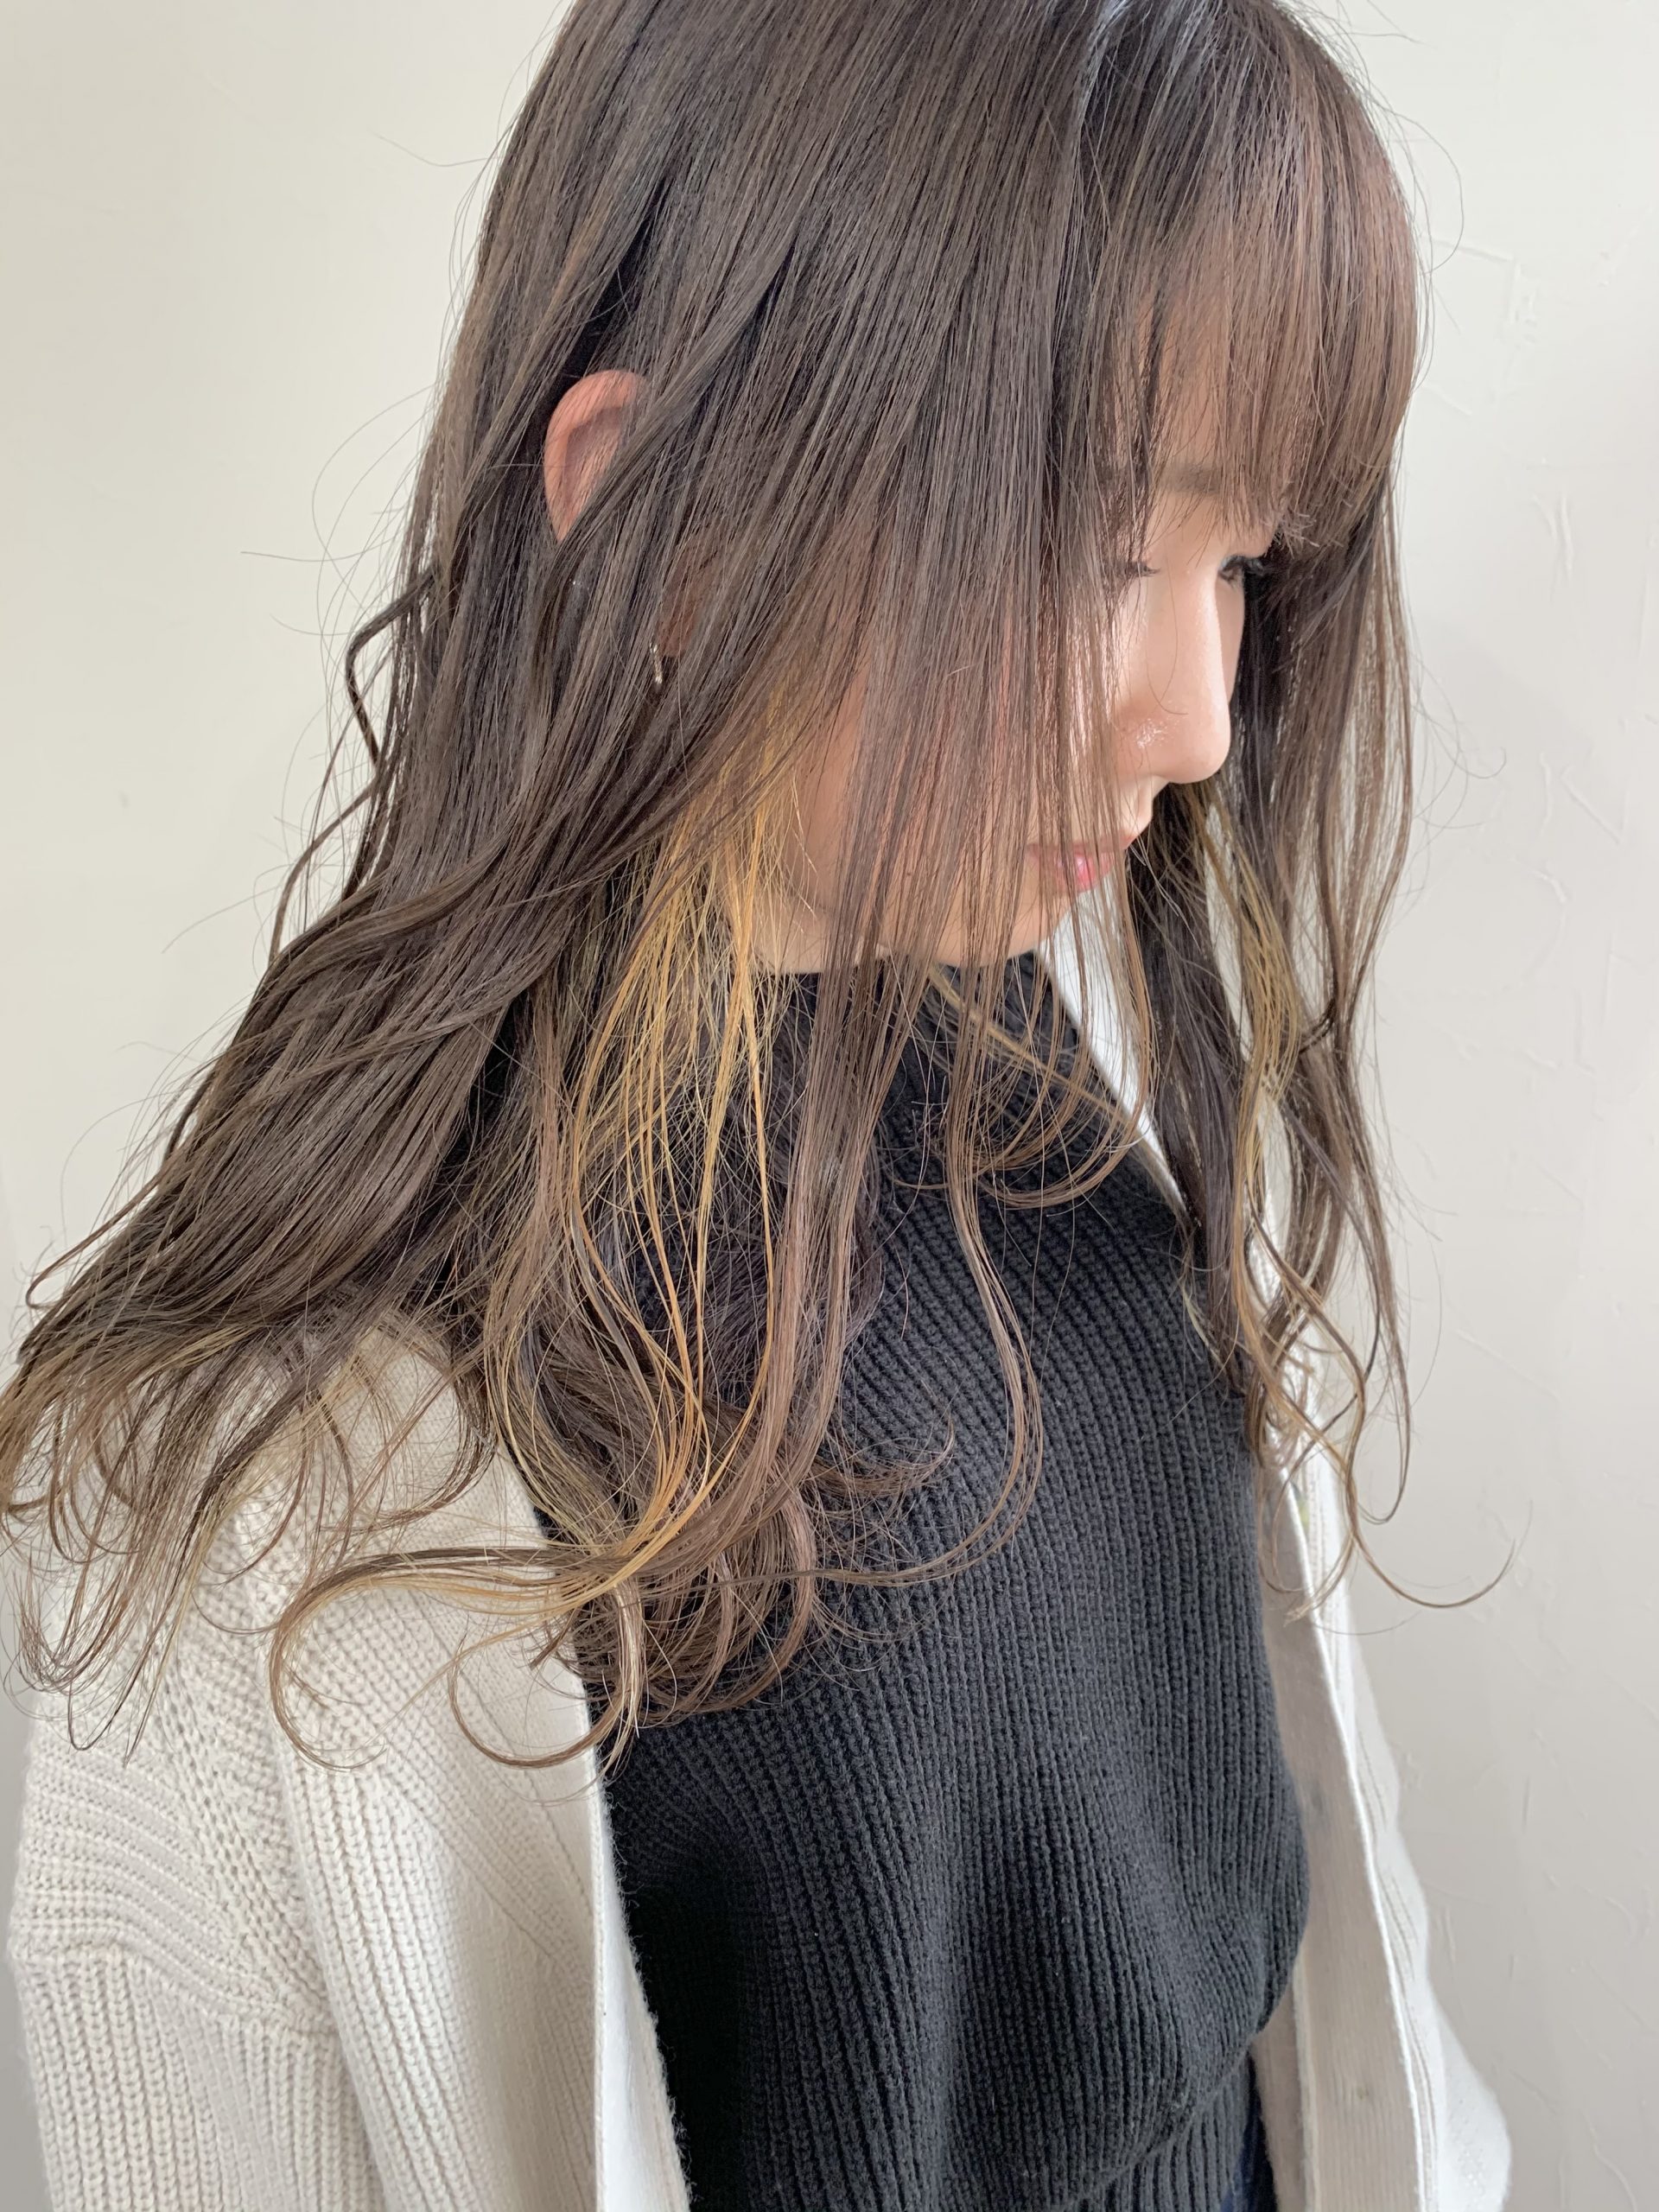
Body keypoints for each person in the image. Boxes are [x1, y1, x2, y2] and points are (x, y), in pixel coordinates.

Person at [1, 2, 1514, 2208]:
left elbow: (1302, 2039)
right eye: (1105, 547)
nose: (1199, 716)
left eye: (1244, 564)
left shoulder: (1106, 1097)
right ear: (658, 512)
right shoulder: (266, 1489)